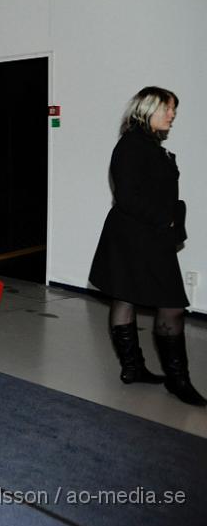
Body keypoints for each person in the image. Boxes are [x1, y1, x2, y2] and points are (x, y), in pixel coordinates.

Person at [90, 86, 205, 406]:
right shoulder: (132, 145)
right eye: (168, 109)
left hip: (143, 236)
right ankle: (176, 379)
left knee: (125, 298)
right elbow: (127, 196)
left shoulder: (148, 145)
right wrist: (165, 220)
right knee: (171, 306)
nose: (172, 116)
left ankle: (135, 369)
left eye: (174, 111)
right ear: (148, 109)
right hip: (139, 236)